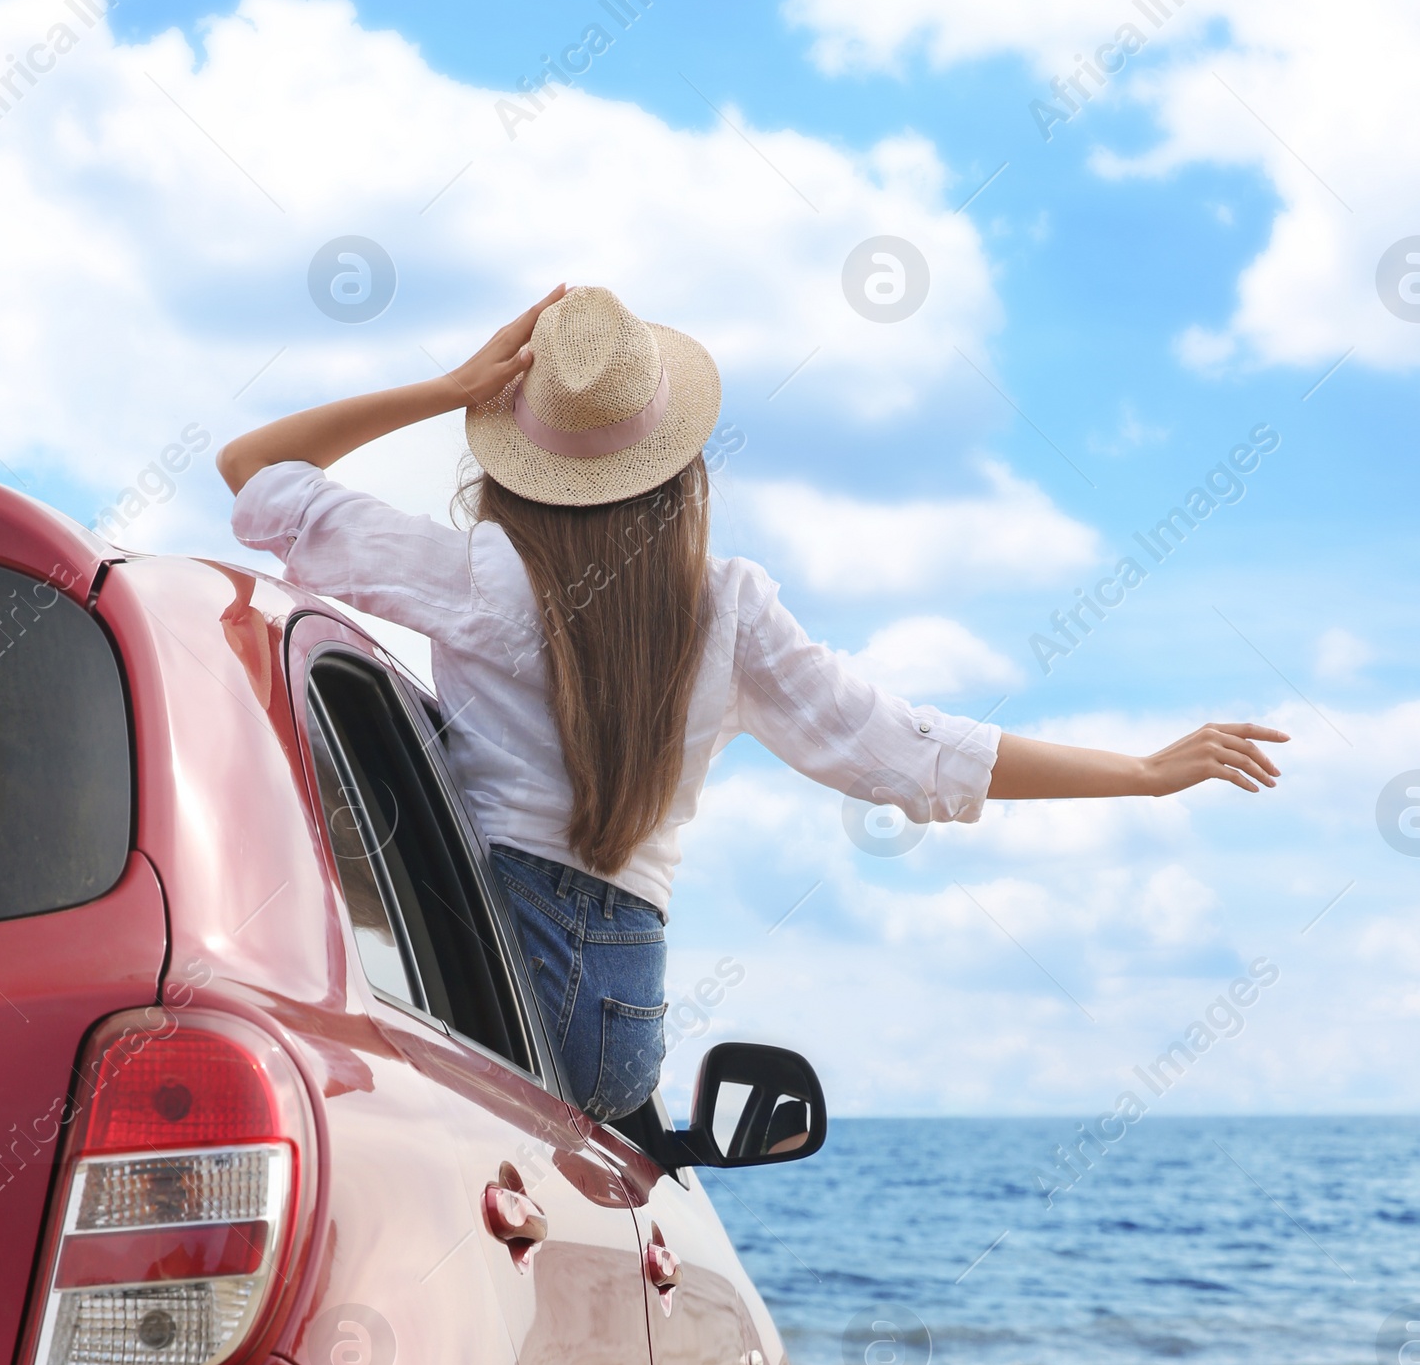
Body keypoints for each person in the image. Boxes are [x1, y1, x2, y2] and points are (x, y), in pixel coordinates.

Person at [218, 283, 1287, 1124]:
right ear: (674, 463)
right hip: (615, 1023)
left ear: (514, 459)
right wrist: (1142, 772)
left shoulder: (478, 574)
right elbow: (909, 748)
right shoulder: (728, 610)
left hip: (480, 969)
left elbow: (252, 468)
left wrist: (446, 387)